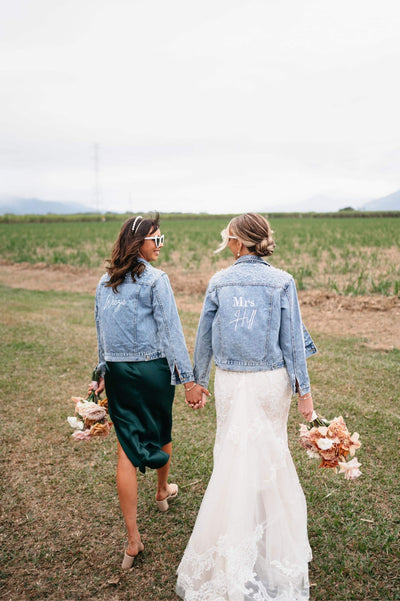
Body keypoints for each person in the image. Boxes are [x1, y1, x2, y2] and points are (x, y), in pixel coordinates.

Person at [176, 213, 317, 601]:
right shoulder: (282, 281)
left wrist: (197, 382)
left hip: (233, 381)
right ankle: (267, 538)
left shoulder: (220, 281)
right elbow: (292, 343)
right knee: (271, 451)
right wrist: (304, 392)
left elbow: (203, 336)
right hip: (272, 382)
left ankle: (242, 536)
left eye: (228, 237)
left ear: (237, 242)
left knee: (234, 453)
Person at [92, 214, 208, 570]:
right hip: (152, 369)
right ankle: (161, 490)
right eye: (155, 240)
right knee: (161, 428)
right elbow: (172, 332)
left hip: (118, 373)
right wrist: (189, 382)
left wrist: (100, 372)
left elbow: (101, 330)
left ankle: (133, 540)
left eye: (161, 239)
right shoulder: (156, 280)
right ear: (137, 243)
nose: (160, 245)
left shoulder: (104, 281)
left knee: (126, 447)